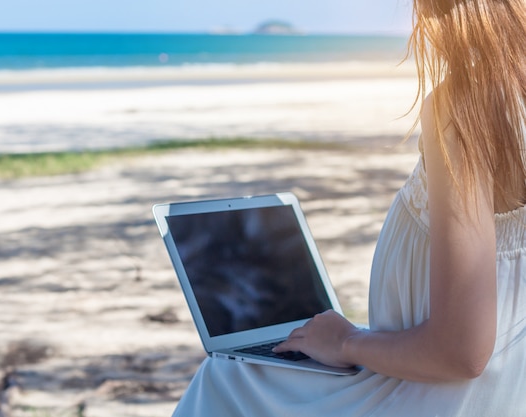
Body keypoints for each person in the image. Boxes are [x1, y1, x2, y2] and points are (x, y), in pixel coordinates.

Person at [172, 0, 526, 415]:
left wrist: (345, 343)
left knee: (226, 379)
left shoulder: (466, 109)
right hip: (497, 382)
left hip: (443, 397)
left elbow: (460, 352)